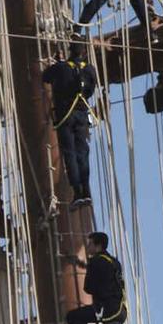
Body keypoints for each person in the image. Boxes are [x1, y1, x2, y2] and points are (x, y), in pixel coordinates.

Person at [41, 42, 96, 206]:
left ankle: (77, 193)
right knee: (83, 153)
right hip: (81, 115)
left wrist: (59, 64)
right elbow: (91, 89)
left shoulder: (61, 68)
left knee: (70, 154)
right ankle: (86, 190)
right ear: (84, 52)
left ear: (69, 52)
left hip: (65, 116)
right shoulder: (89, 69)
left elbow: (46, 77)